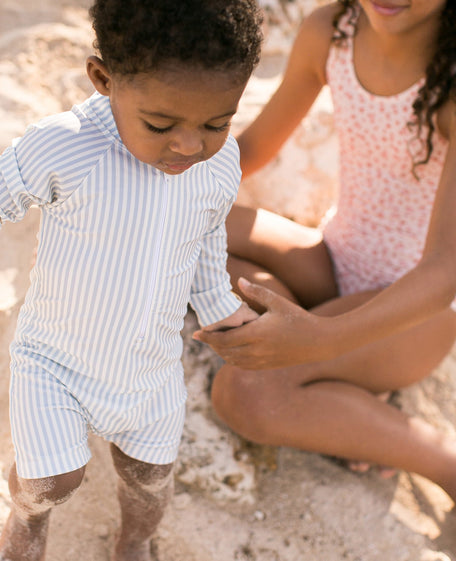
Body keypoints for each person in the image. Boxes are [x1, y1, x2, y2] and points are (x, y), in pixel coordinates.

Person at [0, 1, 263, 559]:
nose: (190, 145)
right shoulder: (69, 144)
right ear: (104, 79)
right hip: (56, 362)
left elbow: (206, 236)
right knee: (50, 483)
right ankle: (23, 531)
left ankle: (133, 544)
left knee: (149, 482)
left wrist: (218, 305)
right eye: (161, 124)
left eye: (217, 122)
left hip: (150, 369)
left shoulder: (218, 162)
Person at [194, 0, 456, 501]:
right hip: (335, 256)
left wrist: (325, 339)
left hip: (417, 314)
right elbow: (251, 151)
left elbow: (444, 273)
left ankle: (444, 464)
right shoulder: (332, 30)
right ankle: (341, 383)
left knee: (243, 394)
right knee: (190, 224)